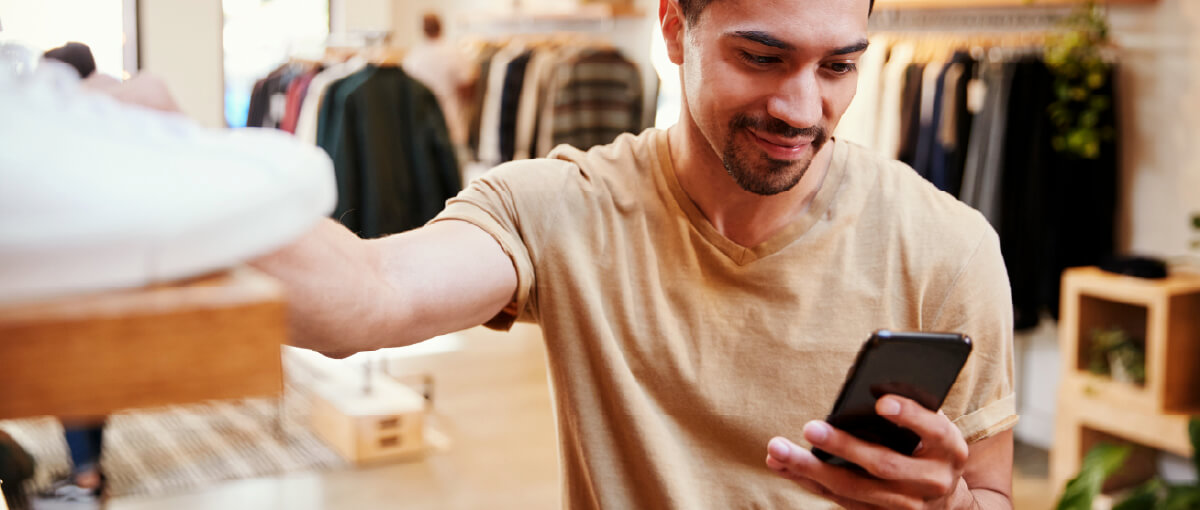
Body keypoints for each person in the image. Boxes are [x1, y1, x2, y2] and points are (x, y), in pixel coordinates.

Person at [109, 0, 1018, 507]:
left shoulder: (947, 246)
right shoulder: (566, 206)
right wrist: (169, 158)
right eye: (761, 57)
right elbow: (367, 297)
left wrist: (947, 507)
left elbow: (993, 497)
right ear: (674, 29)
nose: (801, 108)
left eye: (837, 68)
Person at [402, 12, 473, 151]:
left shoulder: (414, 55)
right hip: (450, 113)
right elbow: (467, 87)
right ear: (441, 26)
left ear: (422, 29)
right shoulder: (454, 52)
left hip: (424, 117)